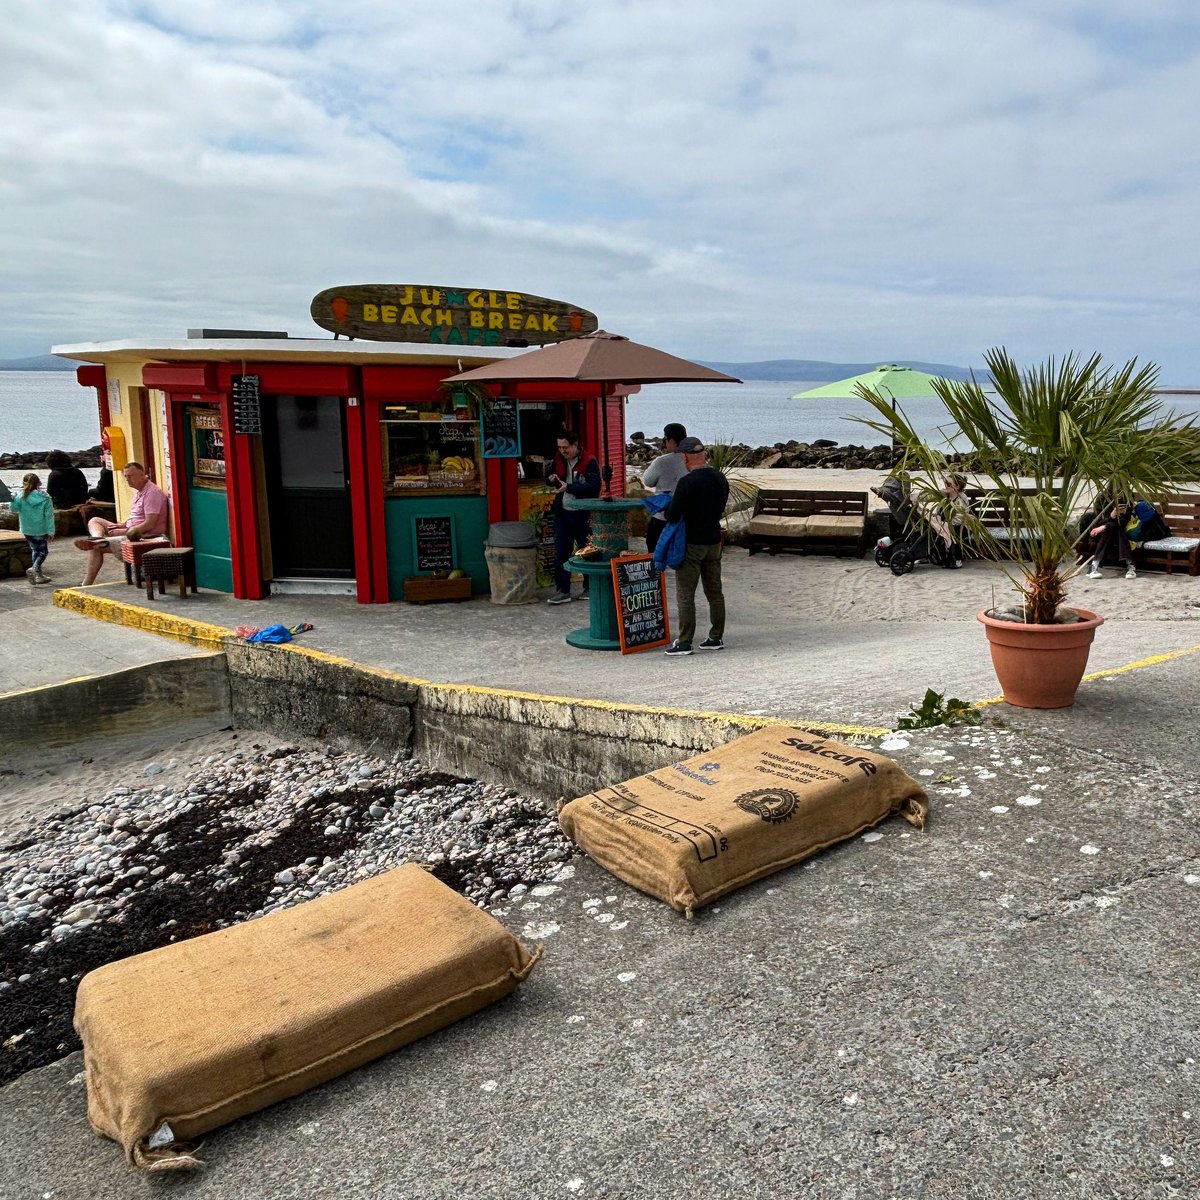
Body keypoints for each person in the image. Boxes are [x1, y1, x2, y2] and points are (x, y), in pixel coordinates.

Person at [663, 437, 729, 656]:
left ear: (684, 457)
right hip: (713, 541)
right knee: (714, 592)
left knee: (685, 594)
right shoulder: (720, 478)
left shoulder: (687, 482)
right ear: (703, 455)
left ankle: (684, 641)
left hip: (691, 543)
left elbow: (672, 514)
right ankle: (715, 636)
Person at [73, 461, 169, 586]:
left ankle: (87, 583)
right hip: (130, 528)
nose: (127, 480)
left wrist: (124, 531)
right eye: (126, 476)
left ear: (142, 474)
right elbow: (136, 517)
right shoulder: (139, 492)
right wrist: (122, 525)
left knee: (94, 548)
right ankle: (98, 539)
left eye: (131, 476)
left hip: (143, 535)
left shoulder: (152, 493)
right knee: (95, 520)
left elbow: (149, 524)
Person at [546, 432, 601, 604]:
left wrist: (568, 487)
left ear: (575, 445)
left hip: (583, 513)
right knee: (561, 551)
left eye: (566, 447)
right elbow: (549, 478)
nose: (563, 451)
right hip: (563, 512)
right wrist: (551, 479)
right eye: (560, 447)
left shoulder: (590, 461)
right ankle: (563, 590)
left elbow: (594, 487)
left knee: (587, 551)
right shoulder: (558, 459)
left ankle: (591, 587)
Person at [640, 422, 688, 553]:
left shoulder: (662, 461)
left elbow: (648, 481)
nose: (664, 442)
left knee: (654, 550)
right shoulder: (691, 459)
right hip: (686, 518)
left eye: (665, 439)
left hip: (663, 516)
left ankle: (659, 573)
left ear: (671, 440)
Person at [10, 473, 56, 584]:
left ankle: (39, 576)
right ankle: (34, 569)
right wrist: (51, 531)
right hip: (41, 529)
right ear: (38, 483)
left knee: (35, 550)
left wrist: (12, 500)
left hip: (26, 529)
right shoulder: (45, 497)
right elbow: (49, 515)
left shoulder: (20, 496)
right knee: (43, 552)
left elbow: (14, 510)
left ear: (23, 483)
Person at [1083, 495, 1136, 579]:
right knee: (1112, 530)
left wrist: (1105, 526)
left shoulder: (1127, 496)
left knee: (1119, 529)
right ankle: (1131, 566)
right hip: (1100, 533)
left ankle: (1093, 566)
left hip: (1118, 532)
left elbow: (1124, 521)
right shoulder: (1101, 499)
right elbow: (1098, 522)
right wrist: (1111, 516)